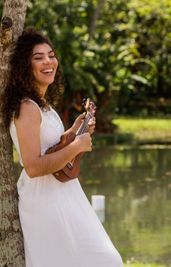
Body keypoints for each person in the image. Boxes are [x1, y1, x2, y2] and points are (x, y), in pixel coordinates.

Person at [1, 28, 123, 267]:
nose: (48, 61)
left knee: (105, 260)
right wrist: (76, 146)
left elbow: (50, 148)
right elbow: (34, 166)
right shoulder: (27, 107)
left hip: (64, 192)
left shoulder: (42, 105)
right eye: (38, 57)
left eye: (51, 55)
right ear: (25, 66)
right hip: (44, 199)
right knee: (104, 261)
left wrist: (73, 132)